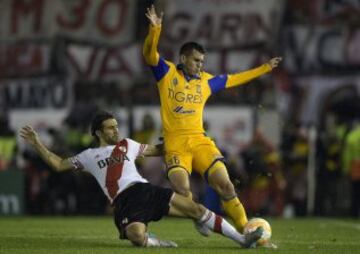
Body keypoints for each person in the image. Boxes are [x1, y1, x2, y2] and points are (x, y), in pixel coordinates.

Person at [19, 111, 263, 248]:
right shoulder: (89, 156)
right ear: (97, 132)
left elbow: (159, 150)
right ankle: (157, 243)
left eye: (116, 126)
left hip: (147, 190)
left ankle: (242, 239)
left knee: (197, 208)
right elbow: (57, 163)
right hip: (125, 201)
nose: (116, 130)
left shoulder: (128, 145)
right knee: (136, 237)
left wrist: (187, 137)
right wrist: (37, 143)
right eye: (110, 128)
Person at [143, 5, 282, 234]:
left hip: (199, 141)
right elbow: (149, 53)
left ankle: (246, 230)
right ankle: (199, 215)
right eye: (196, 60)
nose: (200, 65)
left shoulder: (206, 82)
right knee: (182, 189)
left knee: (225, 185)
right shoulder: (166, 74)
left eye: (202, 61)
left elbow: (235, 79)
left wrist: (264, 68)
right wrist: (155, 30)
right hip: (175, 144)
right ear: (183, 58)